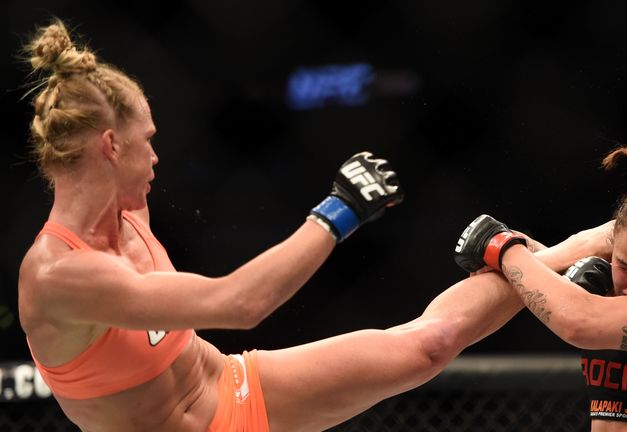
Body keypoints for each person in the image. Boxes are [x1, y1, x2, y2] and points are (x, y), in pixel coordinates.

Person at [15, 19, 539, 432]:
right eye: (147, 139)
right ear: (111, 147)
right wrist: (340, 210)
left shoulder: (129, 214)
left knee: (429, 344)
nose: (156, 158)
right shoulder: (58, 276)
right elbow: (238, 304)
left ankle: (564, 253)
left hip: (235, 386)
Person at [454, 125, 627, 431]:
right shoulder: (601, 286)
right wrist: (531, 252)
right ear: (613, 251)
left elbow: (579, 321)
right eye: (625, 267)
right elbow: (542, 282)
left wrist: (503, 247)